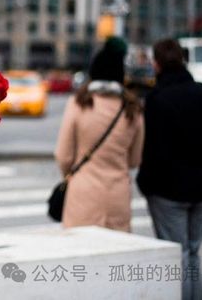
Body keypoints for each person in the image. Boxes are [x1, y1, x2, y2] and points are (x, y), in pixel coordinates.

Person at [137, 39, 202, 300]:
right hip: (201, 189)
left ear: (156, 64)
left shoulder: (157, 99)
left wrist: (146, 185)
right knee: (193, 253)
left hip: (167, 193)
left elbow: (152, 152)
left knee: (177, 256)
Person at [55, 38, 144, 232]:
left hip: (82, 193)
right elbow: (135, 160)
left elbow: (63, 155)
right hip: (117, 196)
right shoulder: (133, 109)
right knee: (115, 256)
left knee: (82, 256)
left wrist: (71, 174)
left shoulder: (78, 103)